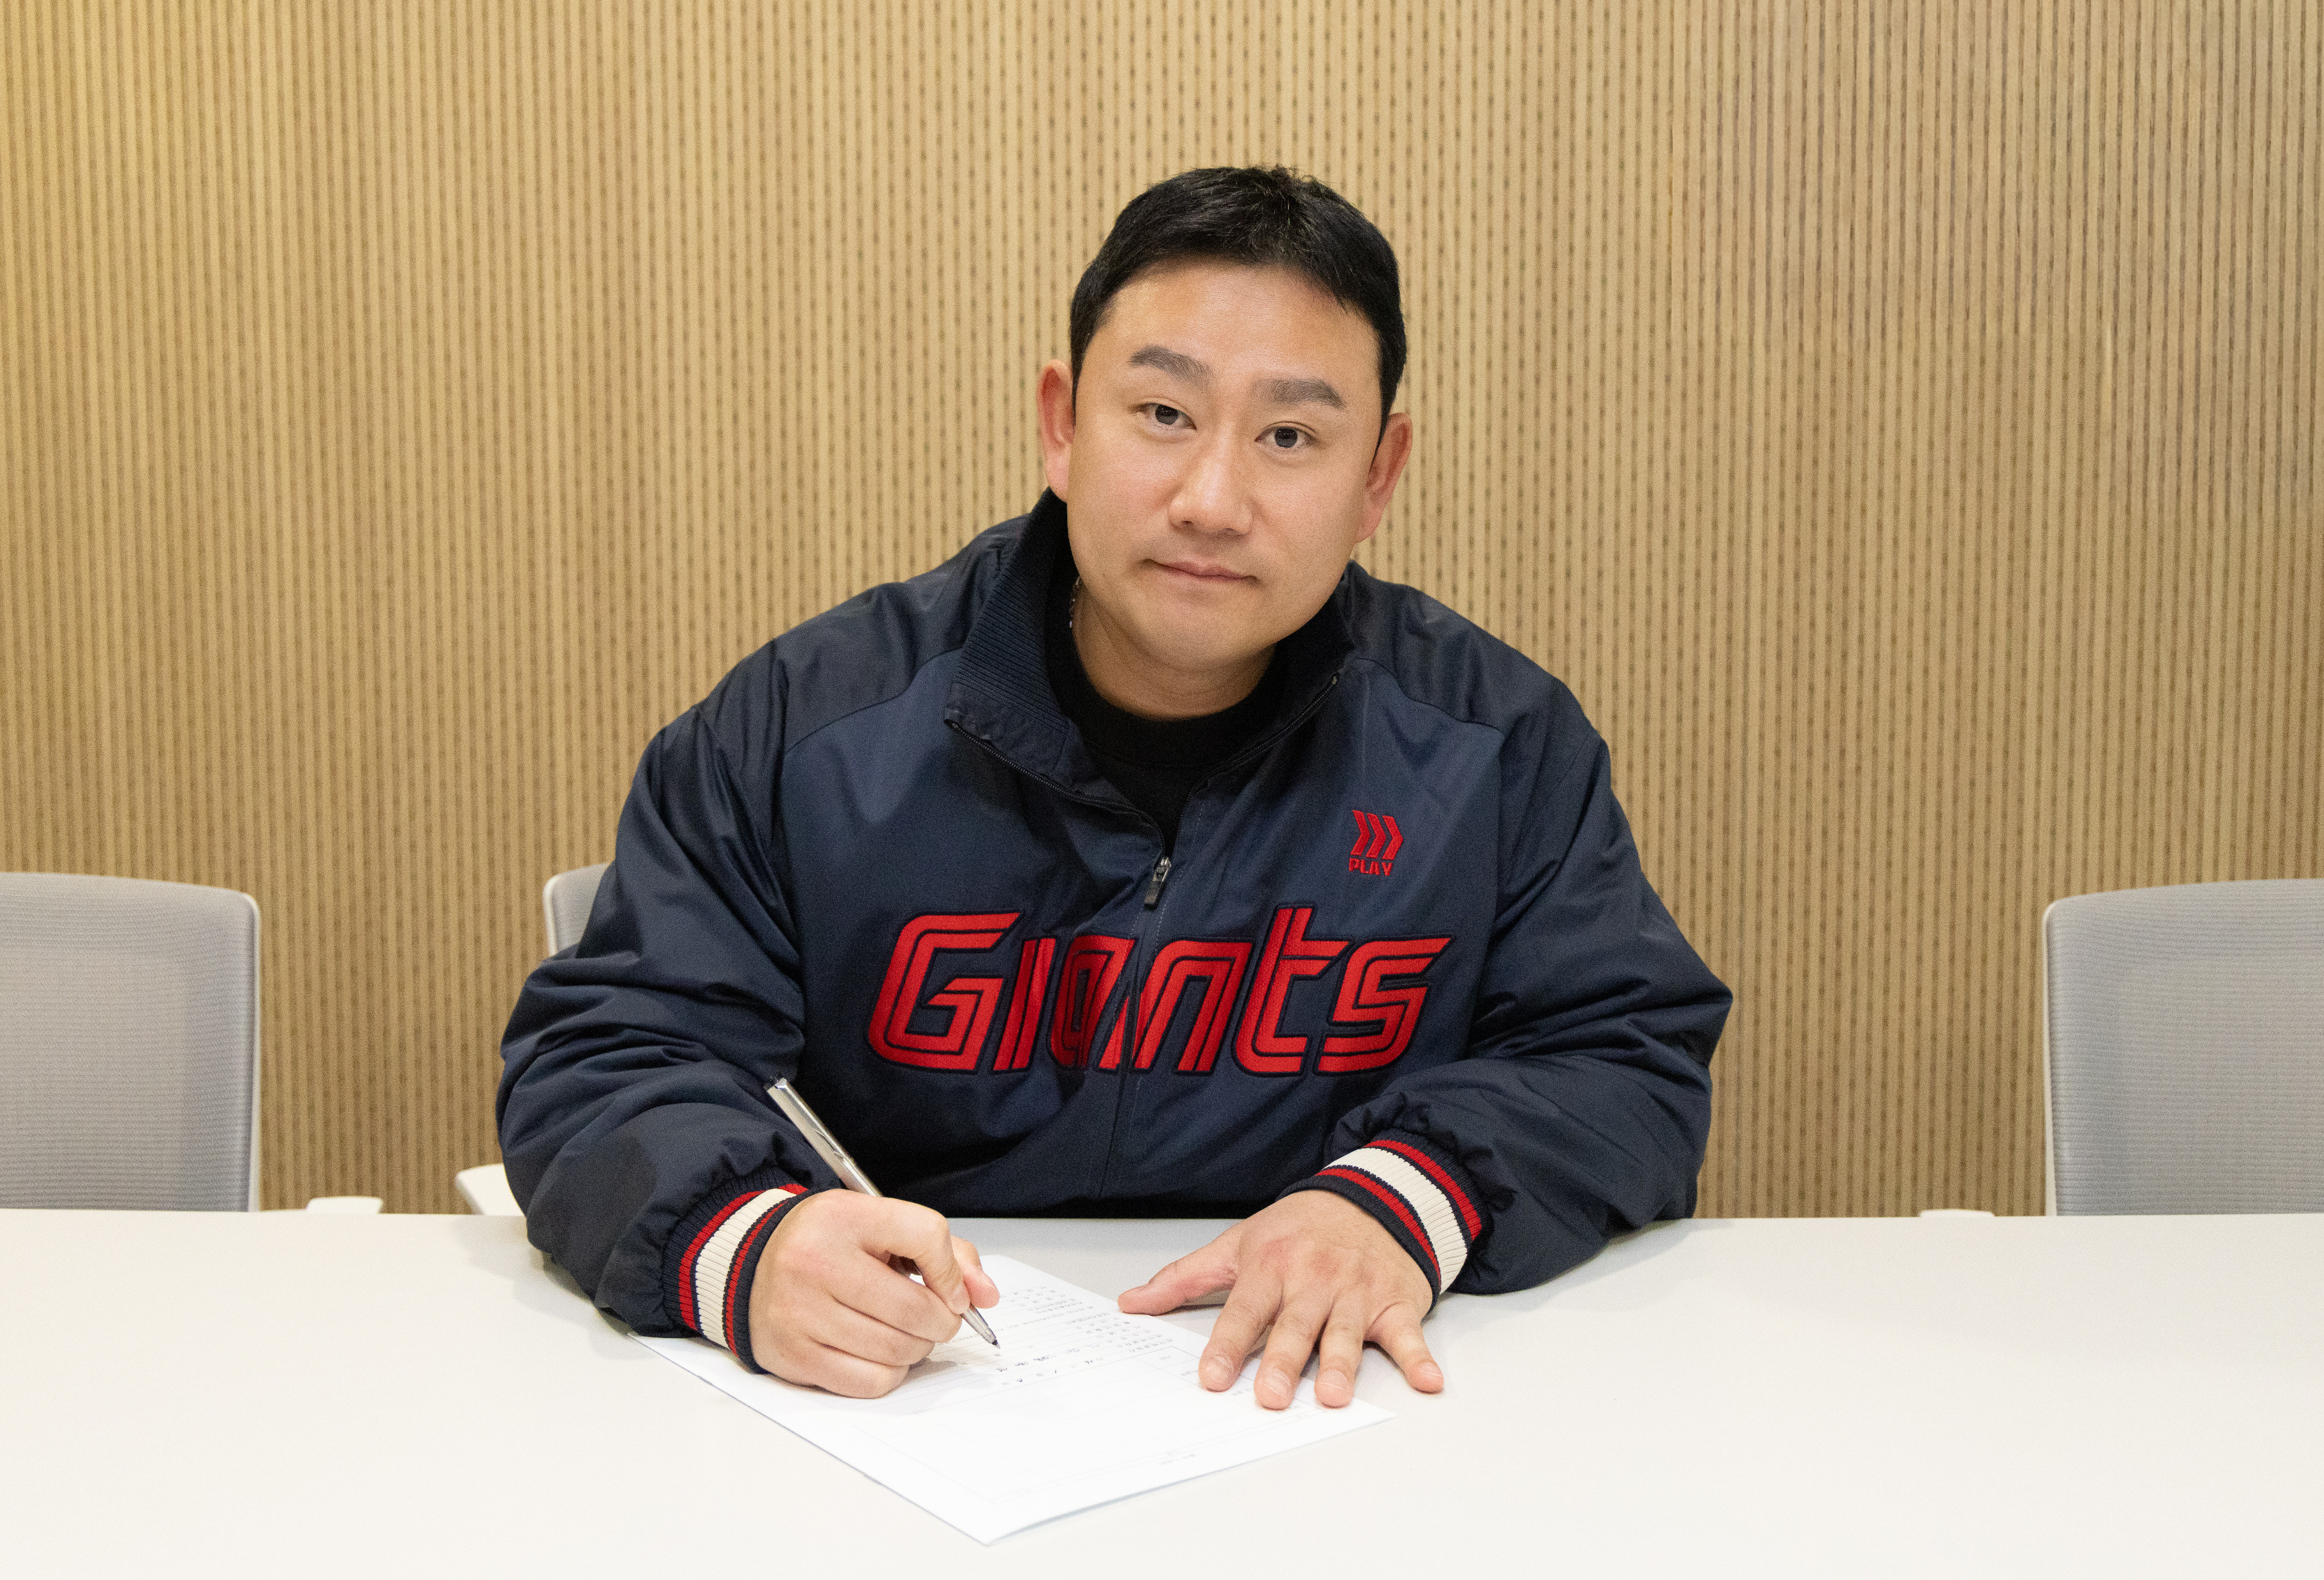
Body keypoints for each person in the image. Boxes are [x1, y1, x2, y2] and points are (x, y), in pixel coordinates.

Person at [498, 166, 1730, 1412]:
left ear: (1377, 476)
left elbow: (1623, 1058)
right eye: (1162, 413)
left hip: (1322, 1395)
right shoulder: (806, 727)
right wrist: (750, 1245)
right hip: (910, 1396)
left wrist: (1399, 1200)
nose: (1212, 500)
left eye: (1289, 437)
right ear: (1061, 423)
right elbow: (609, 1053)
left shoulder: (1493, 747)